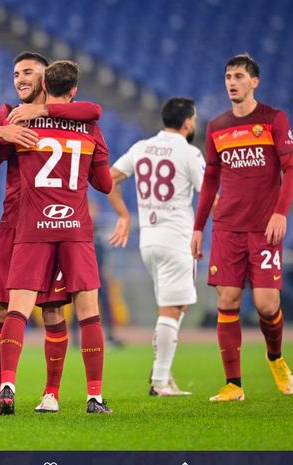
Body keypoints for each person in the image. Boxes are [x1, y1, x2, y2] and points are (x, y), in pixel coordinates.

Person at [0, 51, 102, 414]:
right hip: (15, 224)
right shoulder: (10, 113)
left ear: (45, 80)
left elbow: (90, 111)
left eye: (28, 72)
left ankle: (49, 392)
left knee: (53, 310)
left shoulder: (62, 114)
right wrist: (1, 132)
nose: (20, 79)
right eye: (15, 73)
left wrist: (42, 113)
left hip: (40, 223)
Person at [191, 53, 293, 402]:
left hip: (265, 228)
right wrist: (198, 227)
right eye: (228, 76)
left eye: (239, 76)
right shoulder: (217, 126)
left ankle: (275, 357)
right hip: (227, 228)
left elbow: (292, 169)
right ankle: (233, 384)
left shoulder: (273, 119)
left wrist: (280, 213)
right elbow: (210, 179)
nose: (232, 82)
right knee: (228, 299)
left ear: (255, 81)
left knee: (267, 305)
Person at [107, 97, 206, 396]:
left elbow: (109, 178)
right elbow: (211, 194)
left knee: (175, 308)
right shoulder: (190, 153)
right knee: (172, 310)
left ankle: (162, 373)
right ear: (188, 122)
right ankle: (160, 380)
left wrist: (124, 215)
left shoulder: (142, 147)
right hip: (177, 238)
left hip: (148, 240)